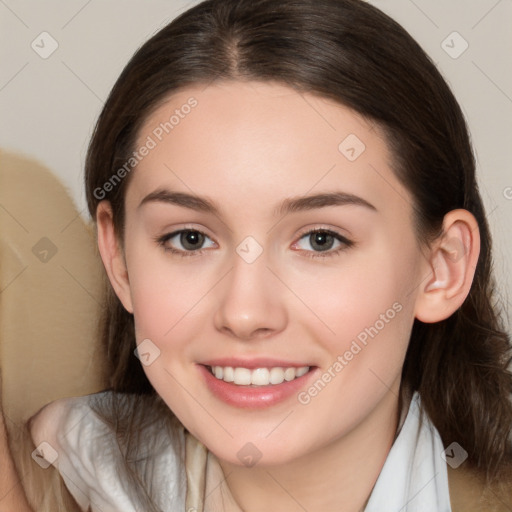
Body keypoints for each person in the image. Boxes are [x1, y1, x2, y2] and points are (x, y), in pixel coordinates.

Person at [7, 0, 512, 510]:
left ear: (441, 267)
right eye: (189, 239)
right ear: (118, 260)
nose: (245, 313)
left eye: (321, 239)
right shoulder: (47, 472)